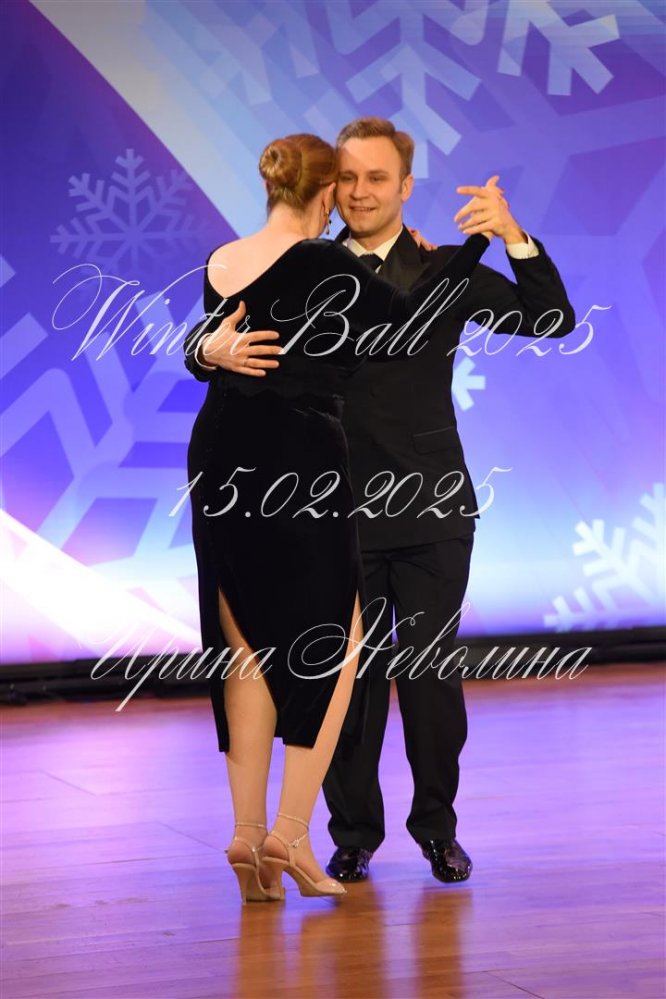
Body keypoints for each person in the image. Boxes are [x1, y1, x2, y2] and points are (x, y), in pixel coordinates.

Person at [188, 118, 576, 888]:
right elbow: (220, 331)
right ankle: (350, 836)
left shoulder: (438, 268)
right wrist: (204, 348)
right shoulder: (303, 262)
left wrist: (509, 236)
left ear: (404, 186)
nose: (361, 192)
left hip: (430, 504)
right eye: (349, 178)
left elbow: (549, 318)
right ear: (328, 188)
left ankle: (438, 830)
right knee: (345, 684)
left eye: (377, 178)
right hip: (328, 509)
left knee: (430, 679)